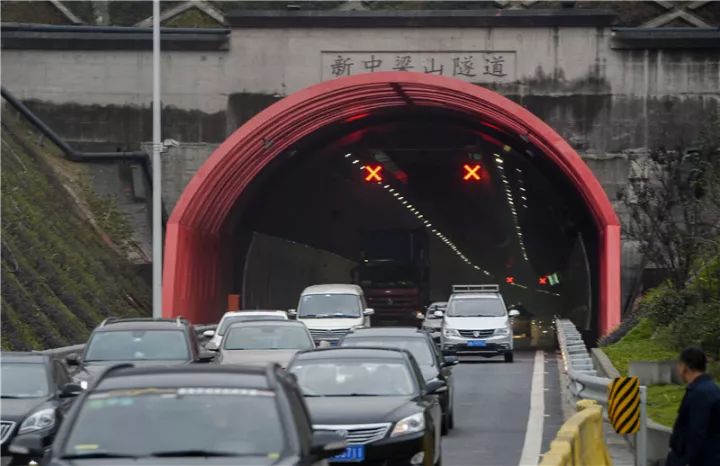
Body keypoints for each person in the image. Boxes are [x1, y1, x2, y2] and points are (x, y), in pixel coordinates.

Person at [666, 347, 720, 466]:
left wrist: (687, 461)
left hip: (697, 460)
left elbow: (696, 432)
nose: (678, 368)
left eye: (679, 364)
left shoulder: (701, 393)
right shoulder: (709, 389)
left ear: (685, 366)